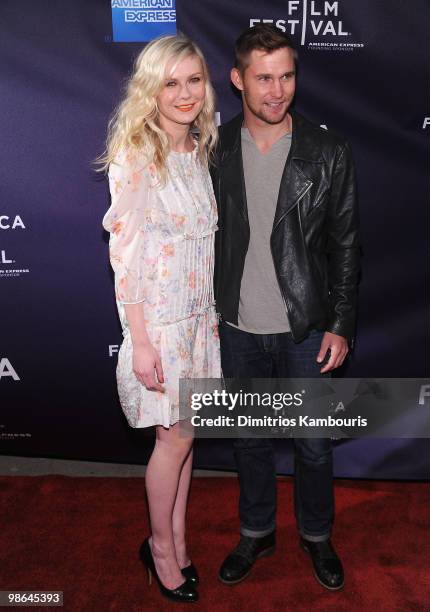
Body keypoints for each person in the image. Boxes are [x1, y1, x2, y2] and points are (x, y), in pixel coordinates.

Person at [211, 24, 360, 591]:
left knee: (314, 444)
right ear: (238, 80)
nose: (277, 91)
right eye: (264, 77)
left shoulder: (329, 151)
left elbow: (346, 245)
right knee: (249, 440)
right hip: (237, 326)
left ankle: (317, 537)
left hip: (304, 327)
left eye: (287, 76)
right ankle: (256, 532)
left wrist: (340, 324)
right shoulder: (215, 147)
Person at [100, 34, 220, 603]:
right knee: (171, 440)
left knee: (186, 436)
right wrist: (140, 340)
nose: (184, 94)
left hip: (200, 320)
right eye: (170, 83)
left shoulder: (198, 148)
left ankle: (176, 535)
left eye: (193, 80)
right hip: (163, 325)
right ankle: (160, 548)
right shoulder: (136, 155)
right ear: (150, 89)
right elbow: (125, 254)